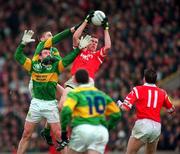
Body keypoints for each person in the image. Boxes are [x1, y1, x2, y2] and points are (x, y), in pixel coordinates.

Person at [14, 30, 91, 154]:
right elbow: (18, 56)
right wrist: (22, 44)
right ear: (39, 56)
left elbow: (67, 60)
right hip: (36, 103)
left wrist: (78, 50)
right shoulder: (33, 65)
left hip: (50, 104)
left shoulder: (55, 67)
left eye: (49, 52)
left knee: (59, 137)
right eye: (45, 52)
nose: (48, 54)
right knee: (26, 134)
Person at [57, 69, 121, 153]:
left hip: (82, 129)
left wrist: (64, 133)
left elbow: (66, 111)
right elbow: (117, 114)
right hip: (100, 131)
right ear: (88, 80)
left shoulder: (75, 93)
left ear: (75, 80)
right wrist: (107, 127)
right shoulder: (101, 94)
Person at [117, 68, 175, 154]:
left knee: (130, 153)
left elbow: (125, 108)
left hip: (143, 124)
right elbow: (171, 109)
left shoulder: (137, 89)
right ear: (156, 80)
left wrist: (119, 104)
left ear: (144, 78)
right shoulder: (162, 92)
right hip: (156, 126)